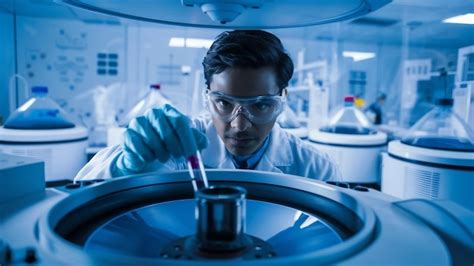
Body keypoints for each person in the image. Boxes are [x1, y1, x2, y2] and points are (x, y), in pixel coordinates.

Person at [75, 30, 340, 182]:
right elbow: (82, 189)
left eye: (260, 106)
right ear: (207, 97)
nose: (239, 125)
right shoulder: (178, 145)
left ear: (282, 100)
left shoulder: (315, 168)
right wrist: (124, 165)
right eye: (224, 103)